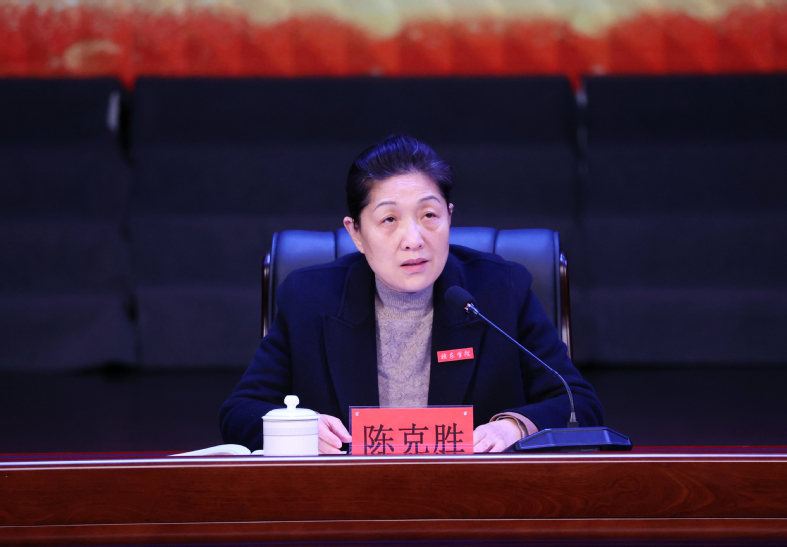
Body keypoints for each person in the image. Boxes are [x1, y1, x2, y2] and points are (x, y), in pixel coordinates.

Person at [219, 134, 603, 453]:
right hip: (348, 506)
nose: (414, 240)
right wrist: (300, 430)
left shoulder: (501, 290)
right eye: (389, 219)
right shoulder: (309, 298)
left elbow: (579, 404)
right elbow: (240, 412)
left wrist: (514, 427)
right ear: (356, 233)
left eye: (429, 216)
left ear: (449, 216)